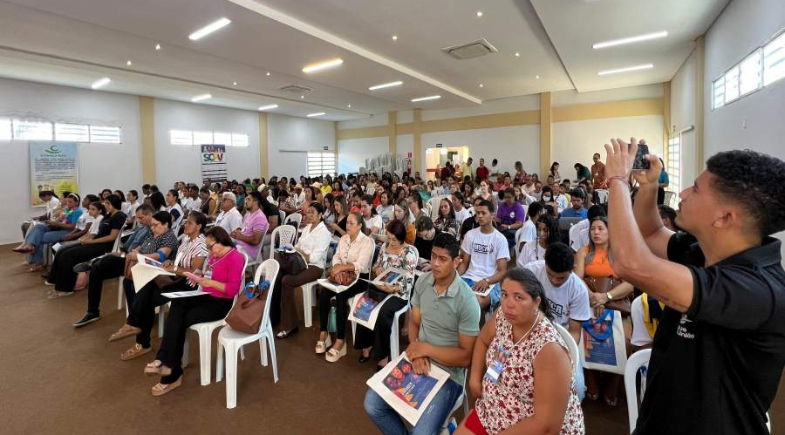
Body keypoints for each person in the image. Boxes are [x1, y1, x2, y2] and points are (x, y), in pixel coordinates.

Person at [604, 140, 785, 433]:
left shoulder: (757, 290)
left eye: (696, 189)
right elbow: (650, 234)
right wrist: (649, 187)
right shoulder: (703, 251)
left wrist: (617, 182)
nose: (684, 194)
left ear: (725, 218)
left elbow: (631, 264)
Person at [364, 233, 480, 435]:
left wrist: (423, 349)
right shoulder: (424, 282)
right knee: (372, 404)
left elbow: (465, 357)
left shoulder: (467, 300)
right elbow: (415, 323)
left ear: (456, 262)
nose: (435, 263)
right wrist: (417, 349)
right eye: (433, 256)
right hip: (419, 357)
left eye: (442, 259)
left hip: (449, 375)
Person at [456, 267, 584, 435]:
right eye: (504, 295)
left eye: (518, 297)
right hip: (493, 409)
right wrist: (474, 379)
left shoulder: (549, 350)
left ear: (536, 302)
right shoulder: (504, 316)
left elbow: (546, 426)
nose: (508, 304)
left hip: (528, 425)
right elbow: (482, 340)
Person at [144, 226, 245, 396]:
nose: (210, 251)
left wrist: (209, 283)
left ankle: (169, 370)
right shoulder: (215, 255)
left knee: (179, 319)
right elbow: (210, 274)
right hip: (204, 294)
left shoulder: (234, 257)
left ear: (222, 241)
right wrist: (199, 275)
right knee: (177, 305)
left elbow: (232, 290)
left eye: (211, 246)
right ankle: (166, 364)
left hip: (220, 304)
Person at [71, 204, 156, 327]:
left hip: (136, 261)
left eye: (141, 217)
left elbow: (144, 252)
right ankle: (92, 311)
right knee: (97, 271)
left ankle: (93, 263)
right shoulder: (141, 228)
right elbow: (127, 246)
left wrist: (125, 254)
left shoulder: (154, 230)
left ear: (150, 215)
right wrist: (119, 252)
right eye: (137, 218)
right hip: (126, 257)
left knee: (105, 262)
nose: (138, 220)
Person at [354, 220, 418, 369]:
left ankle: (383, 355)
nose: (391, 242)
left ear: (401, 238)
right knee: (365, 302)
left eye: (394, 239)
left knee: (383, 313)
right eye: (389, 238)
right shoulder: (384, 246)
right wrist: (377, 270)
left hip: (399, 293)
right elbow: (377, 264)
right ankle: (367, 345)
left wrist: (393, 288)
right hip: (382, 286)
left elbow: (409, 281)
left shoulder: (408, 253)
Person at [316, 212, 375, 362]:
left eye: (351, 223)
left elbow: (360, 266)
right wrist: (336, 267)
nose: (347, 226)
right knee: (324, 292)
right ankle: (324, 333)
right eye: (347, 223)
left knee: (341, 296)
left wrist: (340, 268)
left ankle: (341, 341)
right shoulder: (343, 239)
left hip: (359, 280)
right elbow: (336, 257)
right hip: (342, 276)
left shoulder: (367, 242)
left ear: (360, 226)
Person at [45, 195, 126, 299]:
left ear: (113, 204)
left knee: (68, 256)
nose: (105, 205)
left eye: (107, 203)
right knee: (62, 251)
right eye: (105, 203)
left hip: (103, 247)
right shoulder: (109, 215)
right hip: (96, 242)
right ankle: (55, 280)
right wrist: (87, 240)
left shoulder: (119, 216)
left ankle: (65, 288)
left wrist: (91, 241)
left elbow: (112, 237)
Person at [271, 202, 332, 337]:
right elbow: (297, 245)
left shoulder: (324, 233)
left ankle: (289, 326)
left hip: (314, 267)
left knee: (287, 280)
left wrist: (298, 251)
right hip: (299, 262)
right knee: (277, 274)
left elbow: (314, 258)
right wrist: (292, 249)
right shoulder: (307, 228)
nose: (309, 215)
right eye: (308, 212)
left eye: (312, 212)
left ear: (320, 215)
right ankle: (273, 317)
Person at [525, 243, 591, 344]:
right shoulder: (531, 272)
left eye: (561, 278)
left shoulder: (579, 290)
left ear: (572, 269)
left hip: (558, 336)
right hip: (528, 326)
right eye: (550, 274)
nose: (555, 281)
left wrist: (567, 355)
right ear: (545, 263)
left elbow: (574, 333)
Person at [458, 200, 510, 312]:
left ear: (492, 215)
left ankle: (478, 329)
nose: (480, 216)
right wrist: (454, 277)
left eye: (483, 213)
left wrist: (487, 280)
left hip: (490, 282)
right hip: (468, 277)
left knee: (473, 305)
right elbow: (464, 263)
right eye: (478, 213)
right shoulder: (470, 235)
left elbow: (502, 271)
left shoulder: (500, 239)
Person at [19, 193, 83, 271]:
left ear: (77, 202)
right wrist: (52, 222)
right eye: (68, 201)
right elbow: (59, 219)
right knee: (38, 227)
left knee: (42, 237)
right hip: (58, 228)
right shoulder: (67, 210)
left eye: (71, 202)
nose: (68, 203)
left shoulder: (78, 211)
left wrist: (57, 223)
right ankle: (30, 245)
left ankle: (38, 262)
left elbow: (73, 227)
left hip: (68, 232)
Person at [230, 191, 268, 261]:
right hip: (240, 245)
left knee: (223, 256)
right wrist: (237, 232)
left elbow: (256, 241)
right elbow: (244, 230)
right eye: (246, 199)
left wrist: (240, 236)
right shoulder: (248, 214)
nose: (246, 202)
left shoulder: (259, 217)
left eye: (248, 199)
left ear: (256, 202)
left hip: (248, 252)